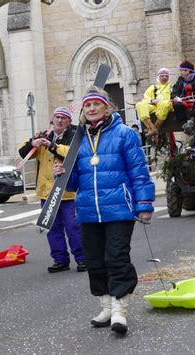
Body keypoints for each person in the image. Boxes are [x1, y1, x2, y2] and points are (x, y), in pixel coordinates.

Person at [54, 88, 155, 334]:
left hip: (119, 208)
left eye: (95, 104)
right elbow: (76, 181)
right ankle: (106, 307)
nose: (90, 109)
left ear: (106, 107)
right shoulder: (78, 140)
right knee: (94, 261)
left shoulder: (124, 135)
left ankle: (120, 311)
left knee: (116, 258)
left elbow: (138, 172)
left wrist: (144, 204)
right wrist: (63, 175)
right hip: (88, 211)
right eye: (86, 106)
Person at [19, 107, 86, 273]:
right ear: (52, 119)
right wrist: (32, 143)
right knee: (52, 228)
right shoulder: (44, 134)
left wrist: (52, 145)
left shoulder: (74, 135)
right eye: (57, 117)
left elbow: (73, 154)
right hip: (47, 192)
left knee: (73, 227)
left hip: (67, 191)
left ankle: (82, 259)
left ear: (69, 122)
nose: (60, 120)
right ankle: (60, 260)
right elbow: (23, 153)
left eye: (64, 118)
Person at [172, 60, 195, 135]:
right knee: (176, 104)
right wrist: (175, 97)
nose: (180, 72)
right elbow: (175, 90)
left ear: (187, 71)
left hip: (194, 101)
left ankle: (191, 121)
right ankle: (185, 125)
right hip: (184, 102)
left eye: (181, 70)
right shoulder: (180, 80)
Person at [135, 67, 172, 137]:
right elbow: (146, 98)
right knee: (139, 105)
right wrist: (152, 101)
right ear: (158, 77)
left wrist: (161, 102)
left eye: (166, 76)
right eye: (162, 76)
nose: (164, 77)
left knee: (164, 104)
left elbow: (174, 97)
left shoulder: (171, 87)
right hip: (154, 106)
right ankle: (151, 128)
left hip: (166, 106)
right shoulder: (153, 87)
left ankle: (155, 128)